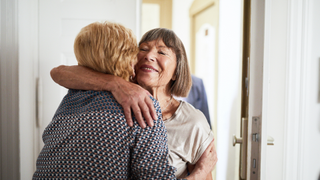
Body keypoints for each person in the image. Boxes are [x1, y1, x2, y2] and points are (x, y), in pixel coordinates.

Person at [33, 21, 214, 179]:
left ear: (176, 70)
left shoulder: (193, 123)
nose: (149, 55)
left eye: (162, 52)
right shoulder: (107, 95)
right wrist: (115, 83)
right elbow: (59, 72)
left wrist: (202, 171)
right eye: (142, 49)